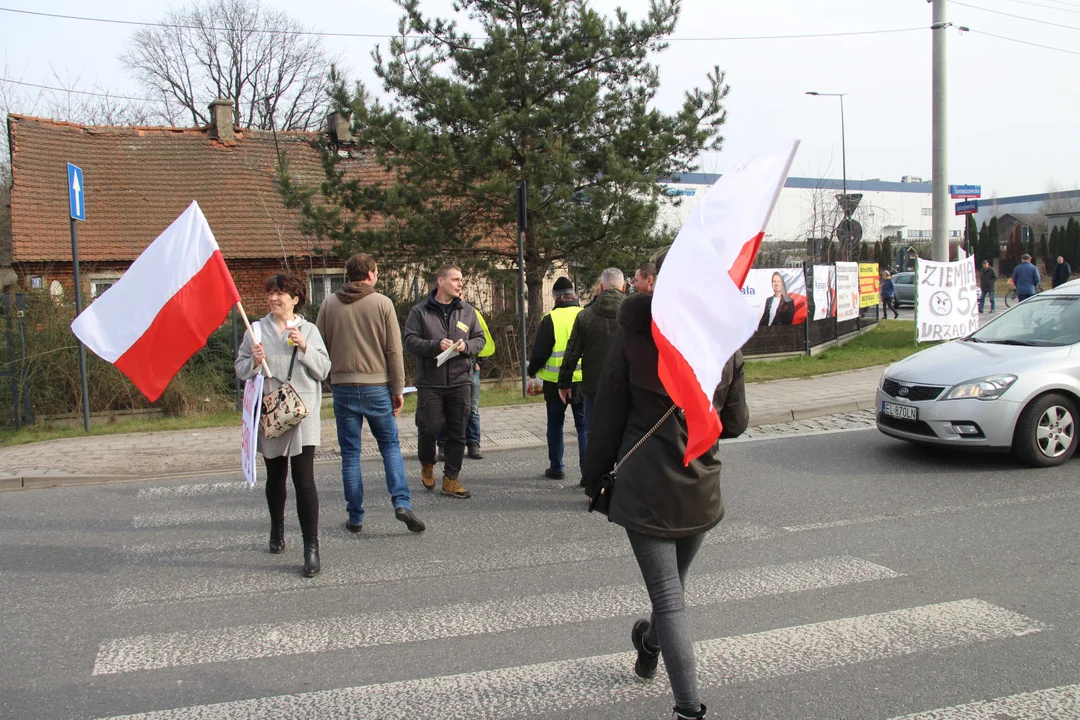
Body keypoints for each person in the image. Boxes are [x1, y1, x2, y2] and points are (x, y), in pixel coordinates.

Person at [582, 248, 748, 720]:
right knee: (670, 590)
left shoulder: (633, 334)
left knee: (669, 599)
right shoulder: (722, 340)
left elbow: (609, 415)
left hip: (644, 484)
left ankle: (687, 709)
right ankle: (649, 645)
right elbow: (735, 422)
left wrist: (594, 479)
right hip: (699, 482)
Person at [315, 253, 426, 536]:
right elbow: (394, 351)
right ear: (372, 274)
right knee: (389, 446)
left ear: (347, 275)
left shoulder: (329, 304)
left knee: (350, 454)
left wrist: (331, 379)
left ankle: (355, 515)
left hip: (343, 387)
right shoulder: (382, 303)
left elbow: (319, 346)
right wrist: (397, 388)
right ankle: (401, 502)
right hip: (377, 385)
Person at [235, 274, 331, 578]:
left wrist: (304, 347)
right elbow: (239, 370)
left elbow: (324, 369)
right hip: (271, 412)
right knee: (275, 476)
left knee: (304, 480)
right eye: (271, 294)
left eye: (281, 294)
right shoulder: (256, 330)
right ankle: (277, 528)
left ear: (295, 299)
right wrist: (252, 361)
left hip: (303, 413)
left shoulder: (310, 330)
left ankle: (311, 548)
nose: (274, 299)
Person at [403, 264, 486, 499]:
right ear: (441, 281)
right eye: (456, 279)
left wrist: (466, 346)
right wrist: (435, 345)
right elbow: (409, 341)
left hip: (460, 380)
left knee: (458, 432)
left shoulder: (468, 311)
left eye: (461, 280)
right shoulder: (420, 312)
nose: (460, 284)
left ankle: (451, 479)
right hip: (431, 382)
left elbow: (480, 339)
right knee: (428, 428)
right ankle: (427, 463)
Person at [558, 268, 626, 457]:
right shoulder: (633, 315)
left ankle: (592, 477)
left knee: (592, 434)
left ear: (601, 287)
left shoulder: (585, 316)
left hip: (594, 388)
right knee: (624, 434)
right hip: (625, 388)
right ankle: (620, 478)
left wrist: (564, 384)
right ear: (625, 287)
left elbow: (572, 353)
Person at [527, 276, 585, 480]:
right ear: (573, 296)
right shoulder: (585, 315)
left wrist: (531, 370)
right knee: (583, 427)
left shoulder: (549, 319)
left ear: (556, 298)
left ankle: (557, 467)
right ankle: (586, 472)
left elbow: (540, 352)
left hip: (554, 381)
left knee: (555, 424)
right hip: (582, 380)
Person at [437, 307, 495, 462]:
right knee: (445, 408)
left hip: (470, 368)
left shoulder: (471, 313)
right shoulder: (439, 313)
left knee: (472, 408)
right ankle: (443, 445)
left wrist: (479, 362)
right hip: (445, 370)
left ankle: (473, 443)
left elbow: (484, 341)